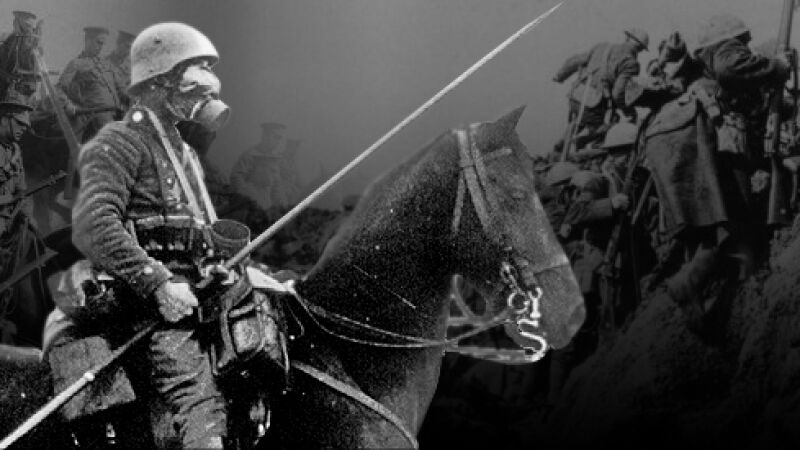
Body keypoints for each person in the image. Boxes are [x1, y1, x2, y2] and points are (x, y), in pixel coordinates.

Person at [46, 22, 233, 448]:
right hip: (140, 300)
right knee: (197, 398)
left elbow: (195, 228)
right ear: (159, 82)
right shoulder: (119, 141)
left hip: (191, 292)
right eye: (196, 78)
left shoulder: (182, 151)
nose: (207, 91)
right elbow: (94, 226)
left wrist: (214, 264)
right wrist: (158, 283)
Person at [553, 28, 649, 151]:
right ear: (640, 49)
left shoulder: (603, 46)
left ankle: (561, 144)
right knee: (611, 124)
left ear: (627, 38)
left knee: (582, 120)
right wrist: (629, 112)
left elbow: (576, 60)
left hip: (575, 97)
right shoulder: (631, 63)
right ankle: (579, 142)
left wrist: (560, 76)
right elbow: (618, 94)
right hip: (593, 106)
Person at [56, 26, 129, 143]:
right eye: (98, 43)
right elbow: (59, 89)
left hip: (118, 114)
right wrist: (68, 105)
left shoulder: (108, 64)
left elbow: (122, 90)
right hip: (97, 116)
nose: (101, 47)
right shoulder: (76, 64)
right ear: (87, 40)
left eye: (103, 44)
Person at [231, 122, 296, 210]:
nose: (278, 141)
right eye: (276, 137)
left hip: (265, 206)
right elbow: (236, 178)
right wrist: (248, 197)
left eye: (280, 138)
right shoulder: (250, 155)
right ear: (265, 136)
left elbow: (275, 186)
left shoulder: (275, 160)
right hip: (247, 206)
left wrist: (283, 208)